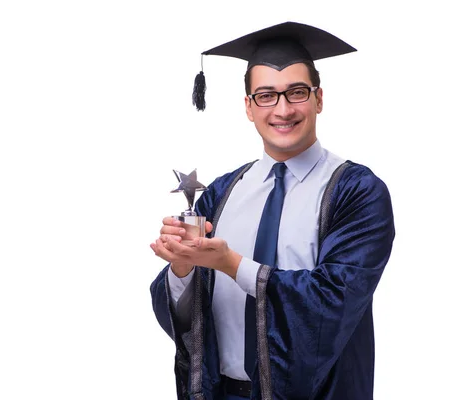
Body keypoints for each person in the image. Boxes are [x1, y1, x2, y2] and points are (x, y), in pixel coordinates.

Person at [150, 21, 395, 400]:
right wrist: (182, 269)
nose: (282, 109)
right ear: (249, 107)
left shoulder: (357, 192)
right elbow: (189, 320)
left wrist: (232, 264)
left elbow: (334, 301)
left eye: (296, 92)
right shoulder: (221, 192)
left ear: (319, 99)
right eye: (266, 96)